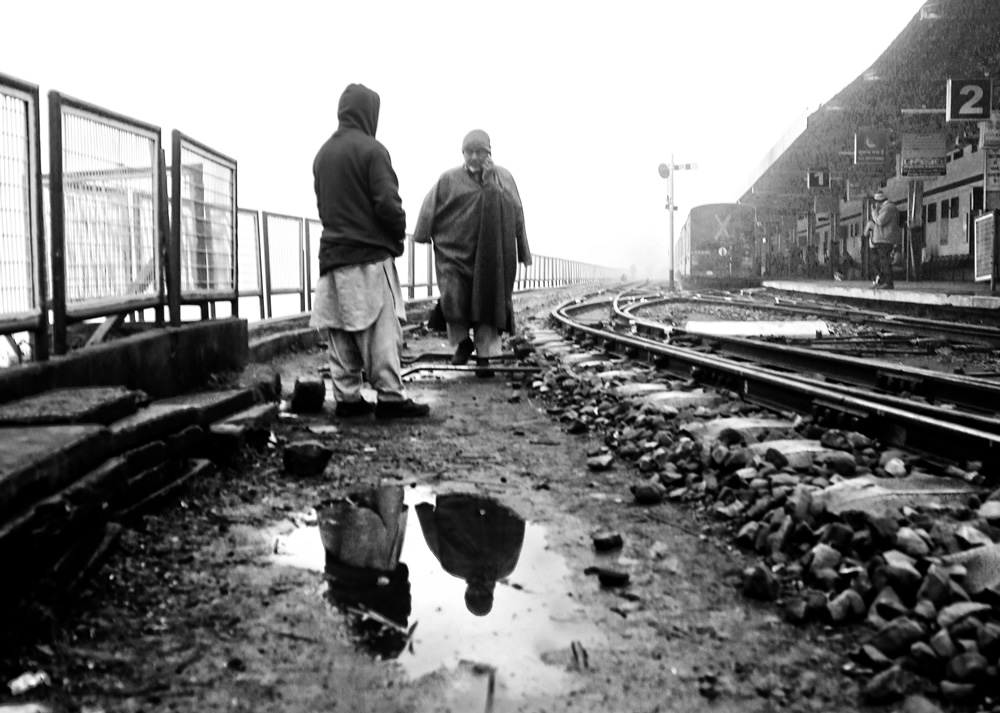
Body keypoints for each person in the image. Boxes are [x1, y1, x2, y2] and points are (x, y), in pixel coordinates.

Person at [310, 83, 429, 419]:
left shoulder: (323, 154)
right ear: (369, 113)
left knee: (341, 330)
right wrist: (396, 237)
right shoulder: (373, 151)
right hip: (369, 256)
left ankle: (347, 399)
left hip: (333, 256)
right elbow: (388, 204)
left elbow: (324, 205)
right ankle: (391, 398)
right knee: (380, 331)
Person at [413, 130, 532, 371]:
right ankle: (463, 343)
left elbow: (517, 212)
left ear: (489, 153)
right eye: (470, 152)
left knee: (488, 302)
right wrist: (422, 234)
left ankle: (484, 358)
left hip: (493, 255)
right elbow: (429, 207)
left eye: (480, 152)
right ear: (463, 153)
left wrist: (523, 249)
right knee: (453, 298)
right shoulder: (448, 179)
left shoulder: (504, 178)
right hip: (455, 253)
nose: (474, 157)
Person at [416, 493, 525, 617]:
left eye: (472, 595)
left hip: (452, 499)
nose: (477, 591)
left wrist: (425, 514)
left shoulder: (453, 566)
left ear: (466, 592)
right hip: (493, 495)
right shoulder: (505, 566)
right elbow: (517, 528)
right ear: (491, 592)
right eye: (483, 595)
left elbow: (432, 538)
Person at [866, 190, 901, 289]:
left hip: (886, 240)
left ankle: (889, 283)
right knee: (881, 261)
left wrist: (874, 213)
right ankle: (882, 281)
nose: (875, 204)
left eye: (876, 202)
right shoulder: (886, 208)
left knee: (885, 261)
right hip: (882, 239)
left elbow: (880, 221)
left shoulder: (889, 208)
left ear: (879, 201)